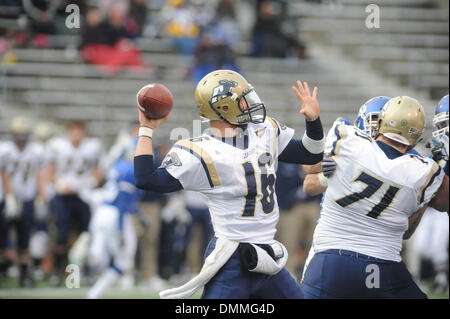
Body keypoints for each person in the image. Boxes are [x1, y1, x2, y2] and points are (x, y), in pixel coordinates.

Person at [134, 69, 326, 299]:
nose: (250, 104)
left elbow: (311, 154)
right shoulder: (201, 151)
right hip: (232, 260)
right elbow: (146, 179)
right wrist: (146, 129)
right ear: (224, 108)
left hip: (266, 256)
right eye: (243, 100)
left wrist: (313, 121)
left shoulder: (263, 131)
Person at [301, 96, 449, 299]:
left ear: (382, 122)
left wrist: (326, 162)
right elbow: (439, 206)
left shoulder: (347, 140)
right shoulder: (421, 170)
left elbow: (307, 165)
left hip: (330, 257)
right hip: (382, 263)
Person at [48, 121, 103, 286]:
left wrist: (91, 182)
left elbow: (98, 173)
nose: (77, 135)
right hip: (62, 196)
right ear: (69, 133)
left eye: (80, 132)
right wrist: (59, 184)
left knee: (84, 236)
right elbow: (49, 173)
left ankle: (79, 274)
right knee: (61, 235)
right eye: (74, 132)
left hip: (83, 196)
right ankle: (58, 272)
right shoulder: (58, 146)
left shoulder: (92, 147)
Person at [303, 96, 390, 196]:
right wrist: (328, 168)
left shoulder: (405, 159)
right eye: (376, 121)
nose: (380, 128)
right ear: (362, 120)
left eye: (386, 124)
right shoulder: (347, 139)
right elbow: (307, 174)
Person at [1, 117, 47, 287]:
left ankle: (24, 274)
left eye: (24, 134)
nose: (21, 137)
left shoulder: (35, 151)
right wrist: (9, 196)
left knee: (24, 238)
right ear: (13, 135)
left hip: (27, 199)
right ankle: (3, 270)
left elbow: (39, 175)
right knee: (2, 236)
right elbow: (4, 173)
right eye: (18, 134)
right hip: (6, 199)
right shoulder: (5, 150)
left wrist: (42, 197)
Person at [87, 157, 141, 299]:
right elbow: (123, 201)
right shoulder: (130, 170)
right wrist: (121, 229)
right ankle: (94, 293)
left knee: (101, 257)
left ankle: (88, 256)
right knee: (124, 262)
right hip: (116, 216)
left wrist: (140, 214)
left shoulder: (118, 165)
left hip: (101, 213)